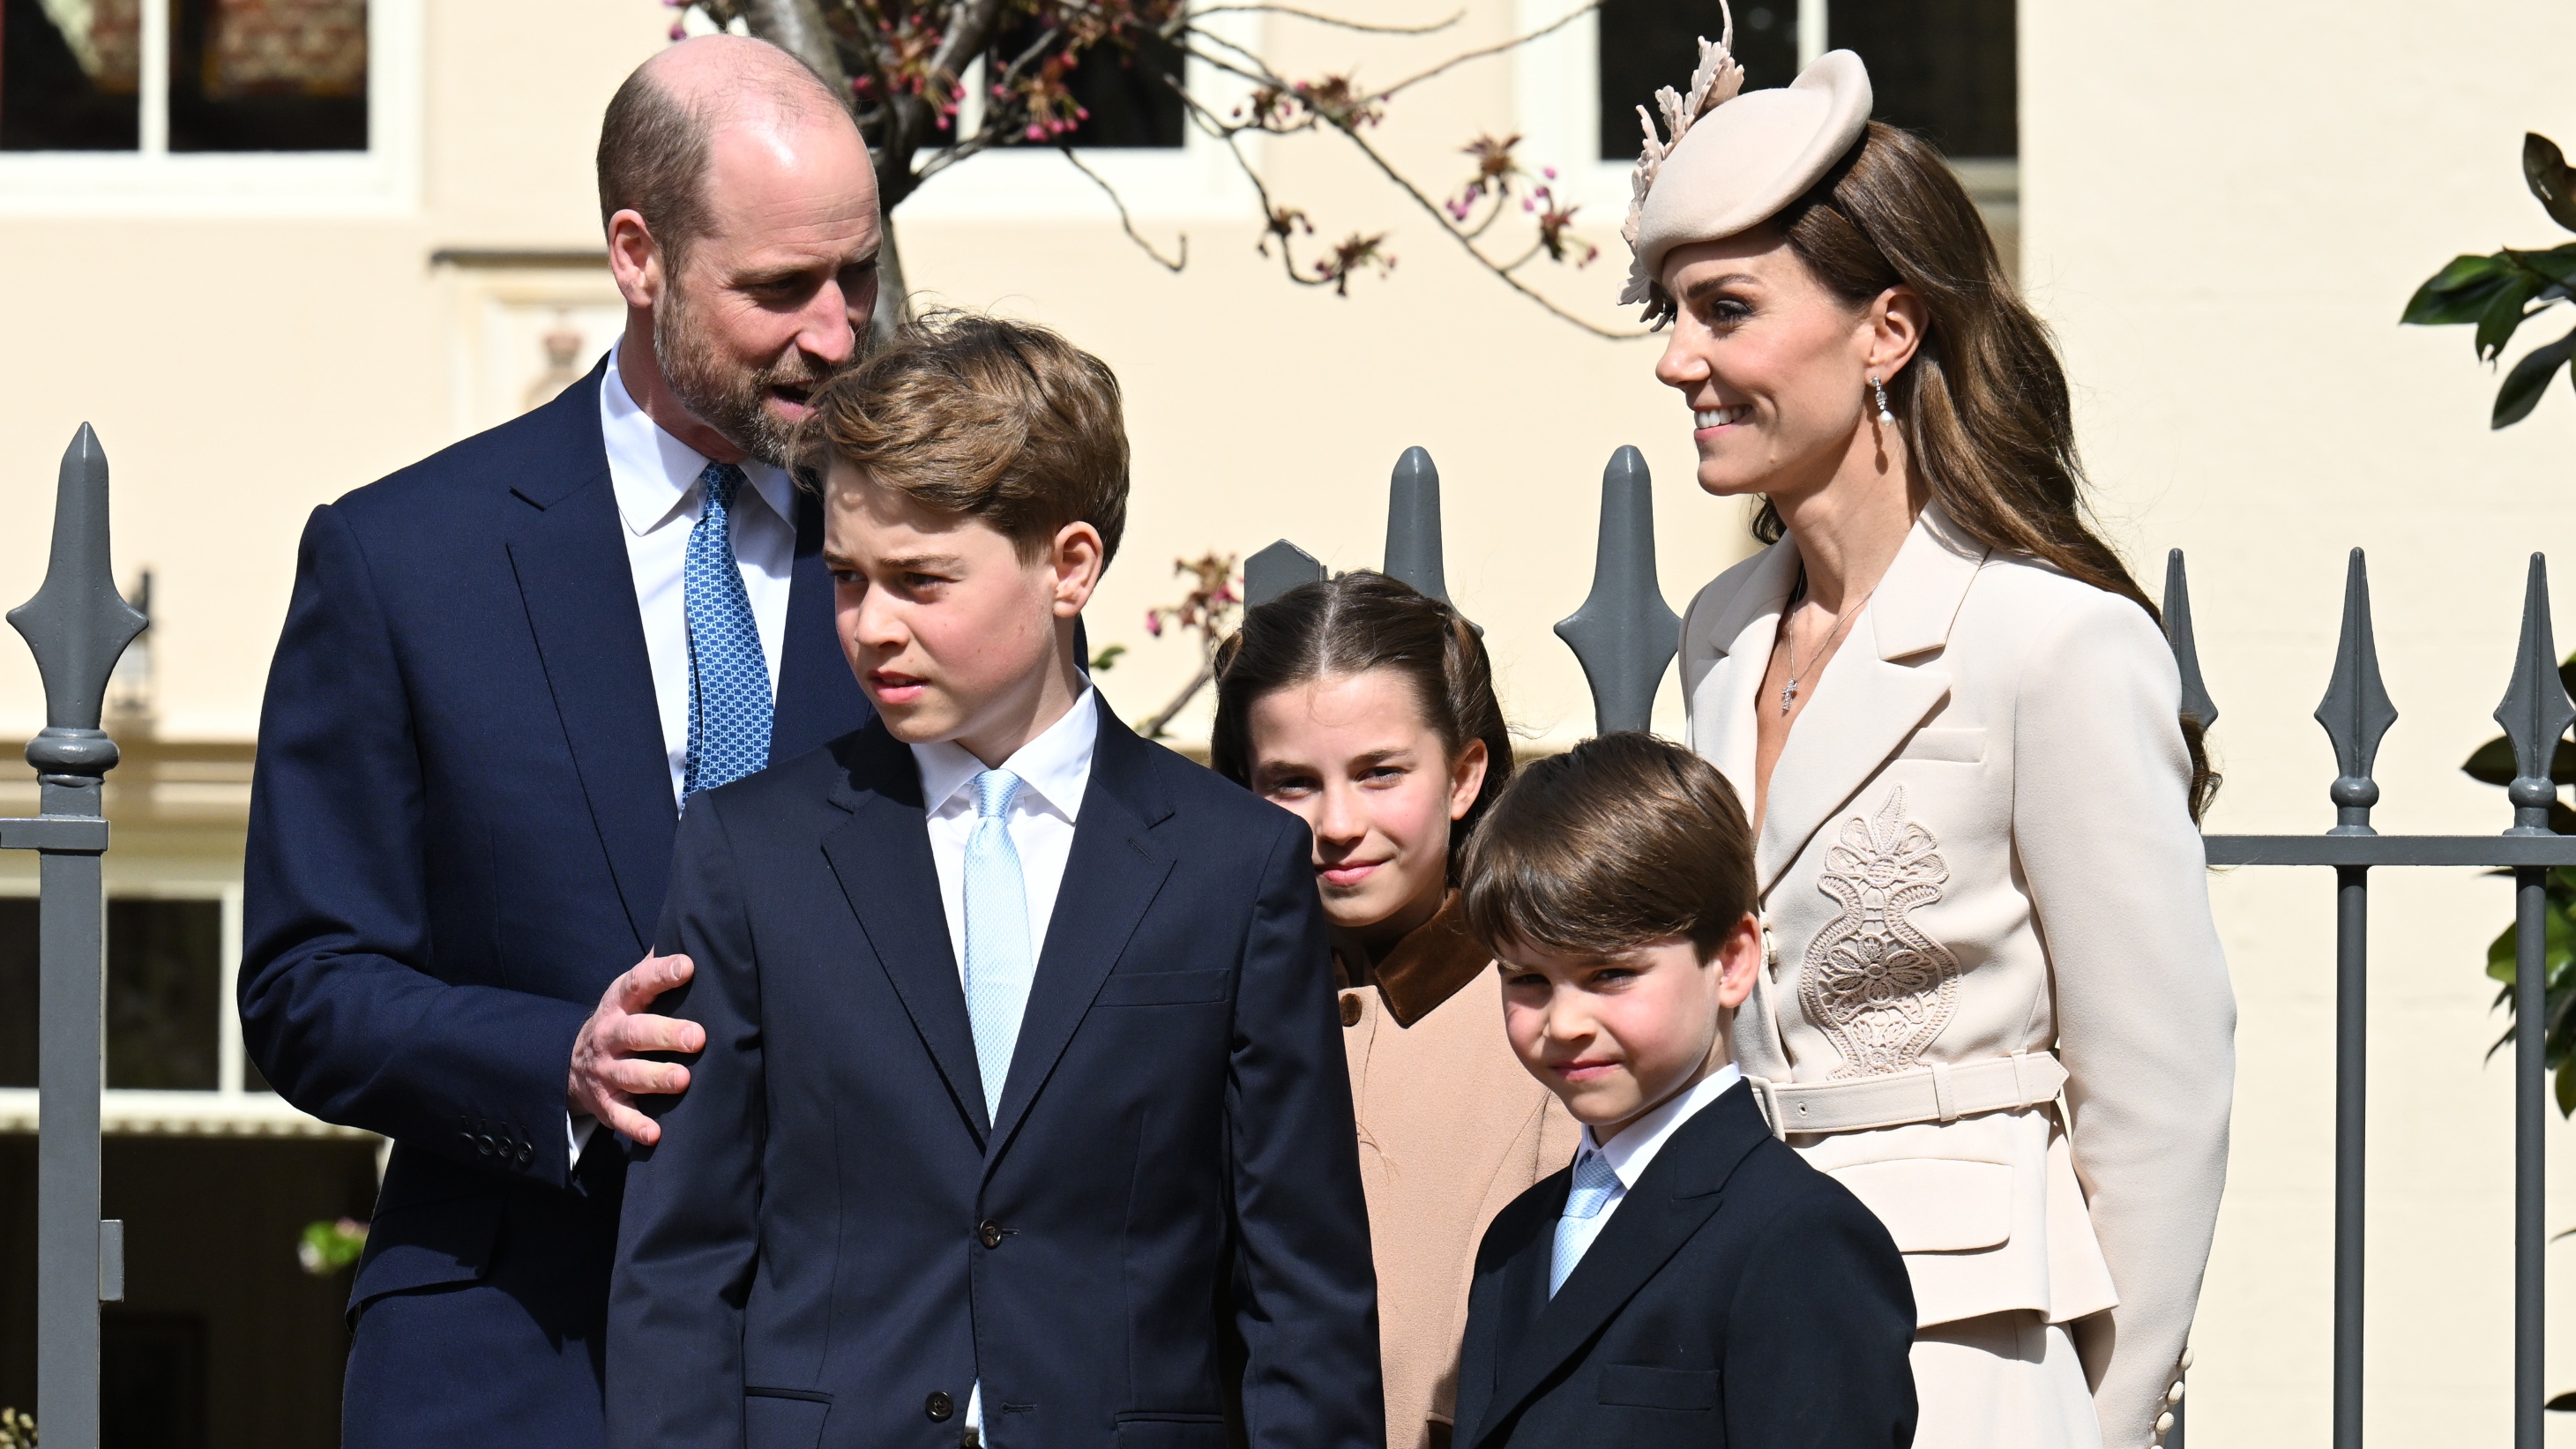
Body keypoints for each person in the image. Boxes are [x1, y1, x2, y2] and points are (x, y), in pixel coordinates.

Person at [237, 36, 877, 1449]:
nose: (836, 333)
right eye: (781, 288)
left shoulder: (926, 559)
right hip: (515, 1352)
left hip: (856, 1354)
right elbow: (306, 983)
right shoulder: (407, 559)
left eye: (859, 278)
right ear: (639, 257)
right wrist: (556, 1062)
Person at [608, 312, 1382, 1449]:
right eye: (847, 579)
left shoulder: (1236, 864)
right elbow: (680, 1263)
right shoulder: (749, 852)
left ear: (1068, 566)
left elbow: (1300, 1285)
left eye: (920, 581)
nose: (871, 627)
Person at [1618, 26, 2236, 1449]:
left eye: (1724, 309)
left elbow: (2162, 1085)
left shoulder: (2052, 642)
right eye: (1672, 312)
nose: (1676, 360)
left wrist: (2101, 1414)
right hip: (1727, 1328)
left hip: (1969, 1351)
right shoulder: (1718, 635)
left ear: (1886, 330)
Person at [1447, 733, 1917, 1449]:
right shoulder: (1514, 1240)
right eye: (1527, 979)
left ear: (1731, 961)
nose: (1564, 1022)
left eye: (1610, 973)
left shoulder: (1799, 1236)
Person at [1209, 571, 1580, 1449]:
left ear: (1462, 775)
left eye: (1379, 773)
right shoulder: (1204, 1006)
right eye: (1291, 782)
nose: (1337, 822)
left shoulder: (1550, 1021)